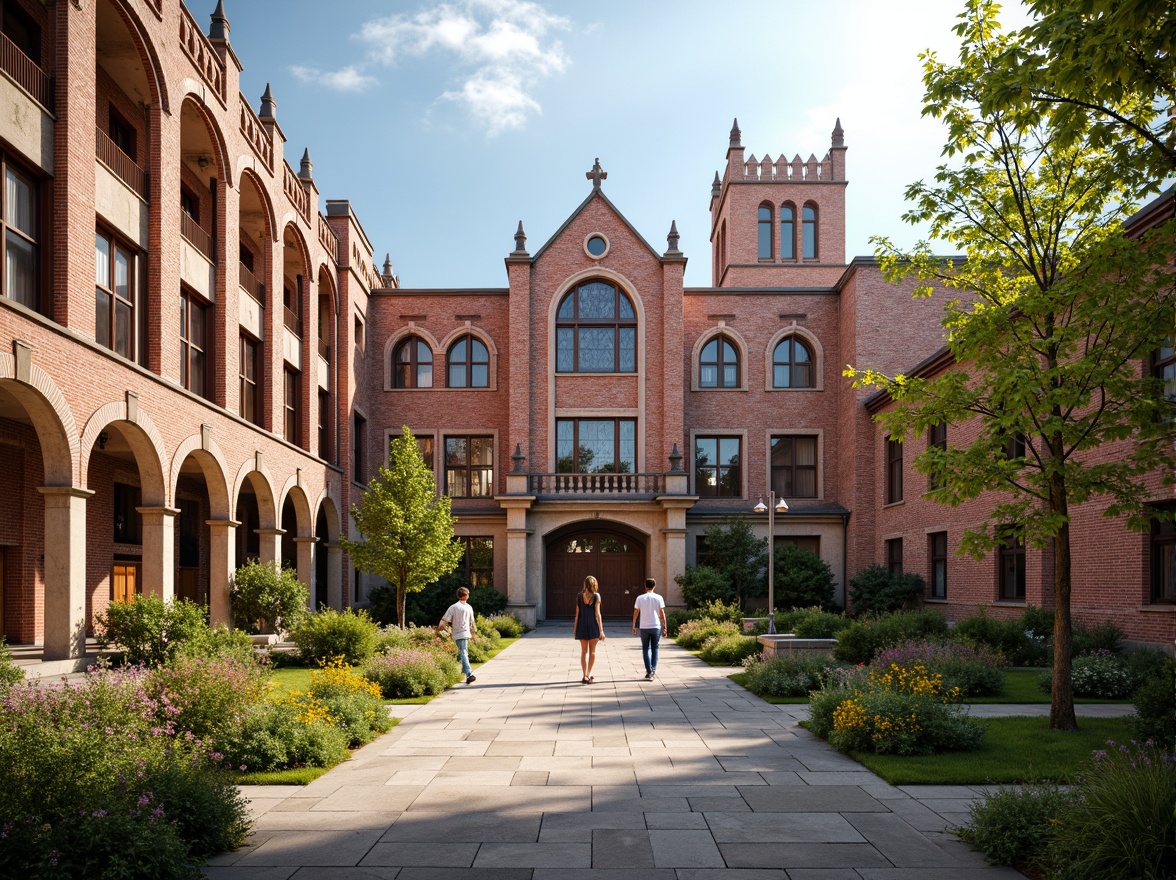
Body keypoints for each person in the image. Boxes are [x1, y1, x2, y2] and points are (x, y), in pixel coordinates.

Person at [436, 586, 478, 684]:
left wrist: (440, 628)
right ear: (466, 595)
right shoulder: (469, 607)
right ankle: (469, 674)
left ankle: (468, 674)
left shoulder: (453, 607)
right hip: (465, 633)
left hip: (458, 633)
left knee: (462, 653)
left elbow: (445, 619)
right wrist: (473, 633)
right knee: (464, 653)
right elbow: (472, 622)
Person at [632, 577, 667, 680]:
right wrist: (665, 626)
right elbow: (662, 613)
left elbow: (636, 612)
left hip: (644, 627)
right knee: (655, 648)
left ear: (645, 585)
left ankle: (648, 671)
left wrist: (634, 625)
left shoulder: (640, 598)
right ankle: (653, 670)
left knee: (645, 648)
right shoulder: (659, 597)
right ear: (654, 586)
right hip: (656, 626)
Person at [572, 575, 605, 683]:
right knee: (593, 652)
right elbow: (597, 614)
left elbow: (577, 615)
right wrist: (601, 630)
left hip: (582, 625)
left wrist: (575, 629)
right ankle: (589, 674)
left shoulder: (579, 596)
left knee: (583, 651)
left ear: (585, 584)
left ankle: (584, 675)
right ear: (594, 584)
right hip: (593, 625)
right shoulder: (596, 596)